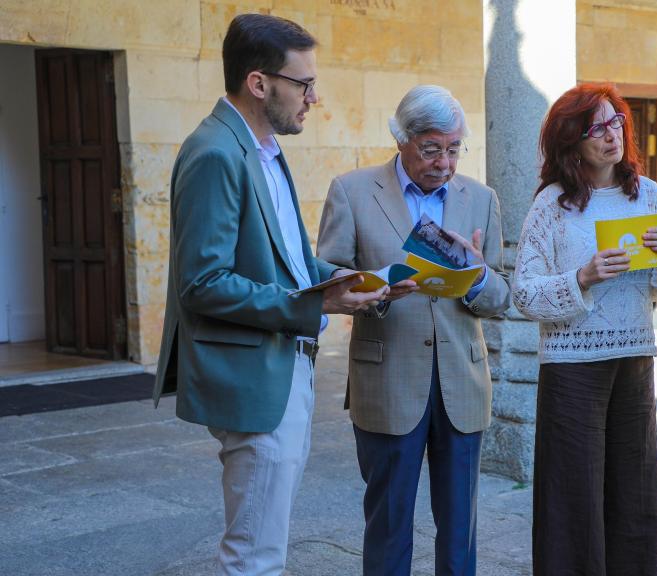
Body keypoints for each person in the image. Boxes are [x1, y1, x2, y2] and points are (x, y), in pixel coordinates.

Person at [152, 13, 385, 576]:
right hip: (252, 378)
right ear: (259, 83)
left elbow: (294, 260)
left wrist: (359, 279)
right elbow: (201, 285)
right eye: (303, 84)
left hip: (285, 366)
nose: (314, 97)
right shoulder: (215, 152)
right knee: (253, 554)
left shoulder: (266, 149)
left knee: (266, 542)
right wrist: (312, 305)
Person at [317, 84, 510, 576]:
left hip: (461, 384)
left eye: (453, 148)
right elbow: (330, 278)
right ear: (400, 138)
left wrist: (478, 276)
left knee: (459, 526)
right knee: (388, 521)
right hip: (387, 378)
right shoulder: (352, 191)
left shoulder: (481, 198)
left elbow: (501, 296)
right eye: (431, 149)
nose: (444, 162)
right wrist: (377, 293)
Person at [512, 83, 657, 576]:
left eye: (615, 124)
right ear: (571, 141)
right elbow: (524, 293)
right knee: (572, 497)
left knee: (634, 492)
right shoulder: (552, 203)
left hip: (634, 357)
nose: (610, 137)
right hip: (571, 365)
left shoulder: (647, 193)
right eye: (595, 129)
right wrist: (582, 276)